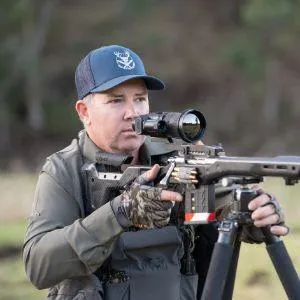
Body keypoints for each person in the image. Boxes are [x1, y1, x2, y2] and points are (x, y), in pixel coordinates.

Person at [23, 45, 288, 300]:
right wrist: (121, 212)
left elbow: (222, 204)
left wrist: (255, 214)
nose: (132, 113)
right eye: (116, 101)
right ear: (84, 111)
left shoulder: (175, 157)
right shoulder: (64, 170)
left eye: (140, 99)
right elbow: (38, 265)